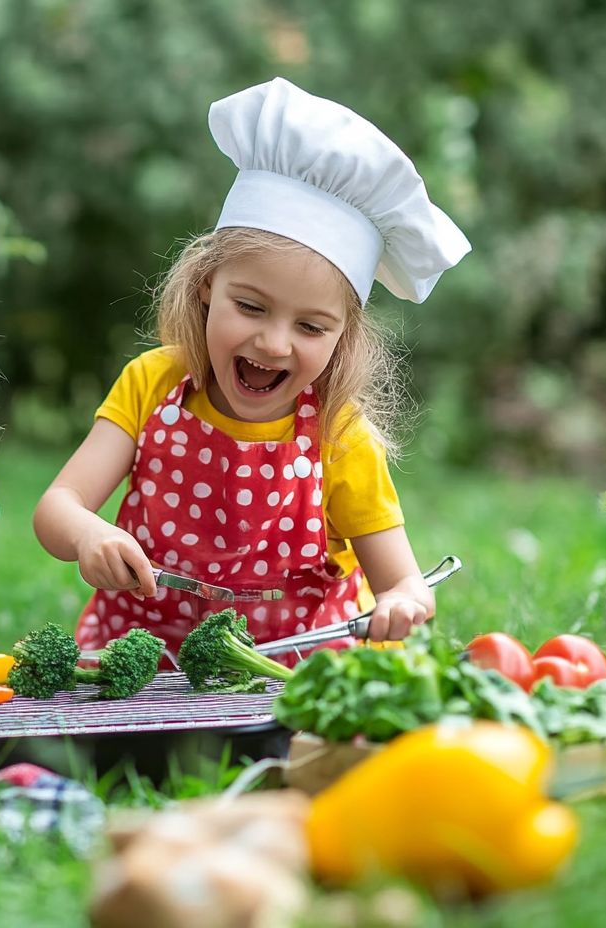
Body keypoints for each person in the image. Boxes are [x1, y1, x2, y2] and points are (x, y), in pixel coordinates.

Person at [34, 78, 471, 663]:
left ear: (344, 336)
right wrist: (88, 534)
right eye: (250, 307)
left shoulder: (340, 437)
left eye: (311, 327)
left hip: (290, 673)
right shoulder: (151, 383)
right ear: (207, 284)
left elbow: (403, 583)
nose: (272, 343)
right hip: (142, 664)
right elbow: (57, 507)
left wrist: (405, 603)